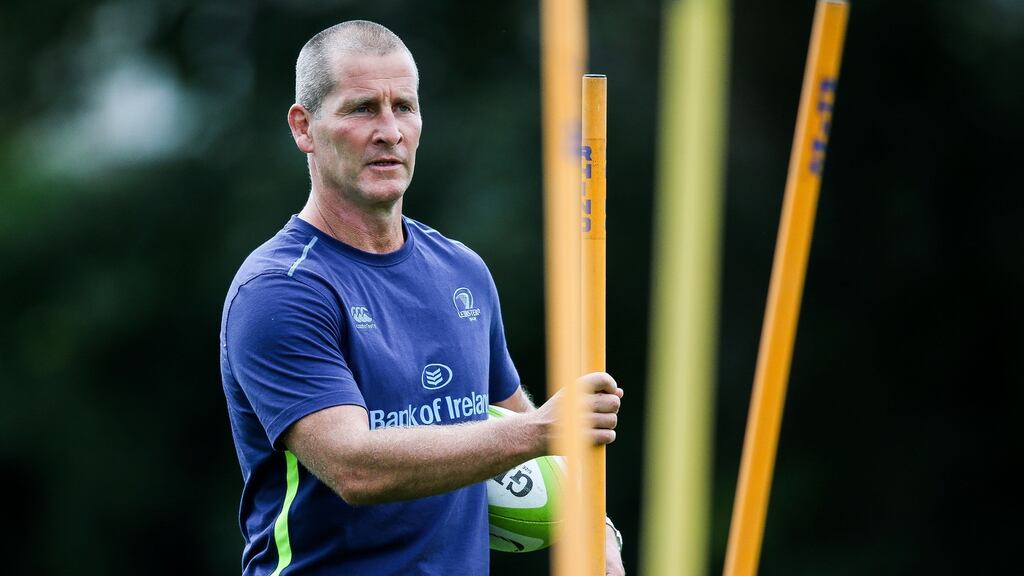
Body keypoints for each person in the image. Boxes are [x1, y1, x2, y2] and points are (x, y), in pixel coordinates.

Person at [219, 20, 625, 575]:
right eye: (363, 108)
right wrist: (541, 431)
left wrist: (591, 522)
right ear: (304, 126)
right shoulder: (280, 290)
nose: (389, 130)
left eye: (403, 106)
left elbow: (513, 423)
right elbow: (354, 468)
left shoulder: (462, 270)